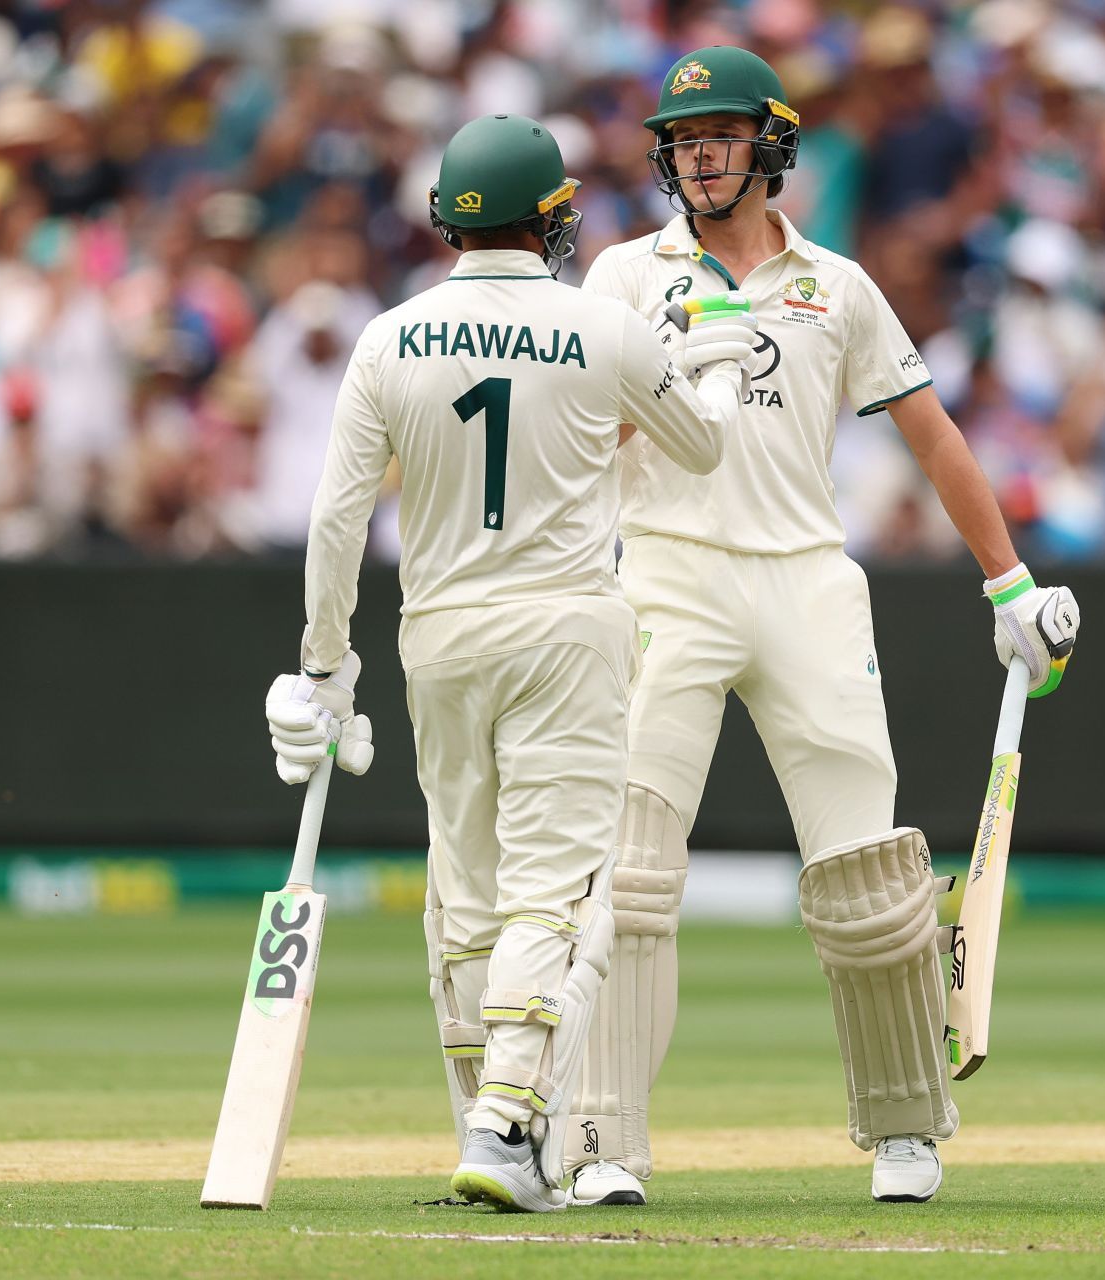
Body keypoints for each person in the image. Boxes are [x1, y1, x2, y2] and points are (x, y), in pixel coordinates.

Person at [566, 47, 1082, 1208]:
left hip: (806, 581)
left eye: (721, 137)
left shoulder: (837, 286)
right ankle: (600, 1136)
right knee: (631, 870)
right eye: (683, 139)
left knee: (868, 877)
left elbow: (935, 434)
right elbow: (573, 443)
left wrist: (1009, 585)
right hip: (665, 574)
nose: (699, 157)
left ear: (774, 146)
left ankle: (906, 1126)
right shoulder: (617, 280)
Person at [260, 114, 754, 1212]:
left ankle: (497, 1118)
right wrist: (710, 367)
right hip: (567, 631)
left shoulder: (387, 336)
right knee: (557, 891)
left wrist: (325, 668)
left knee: (469, 888)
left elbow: (336, 521)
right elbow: (706, 447)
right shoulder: (605, 327)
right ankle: (506, 1122)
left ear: (446, 219)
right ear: (549, 218)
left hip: (437, 637)